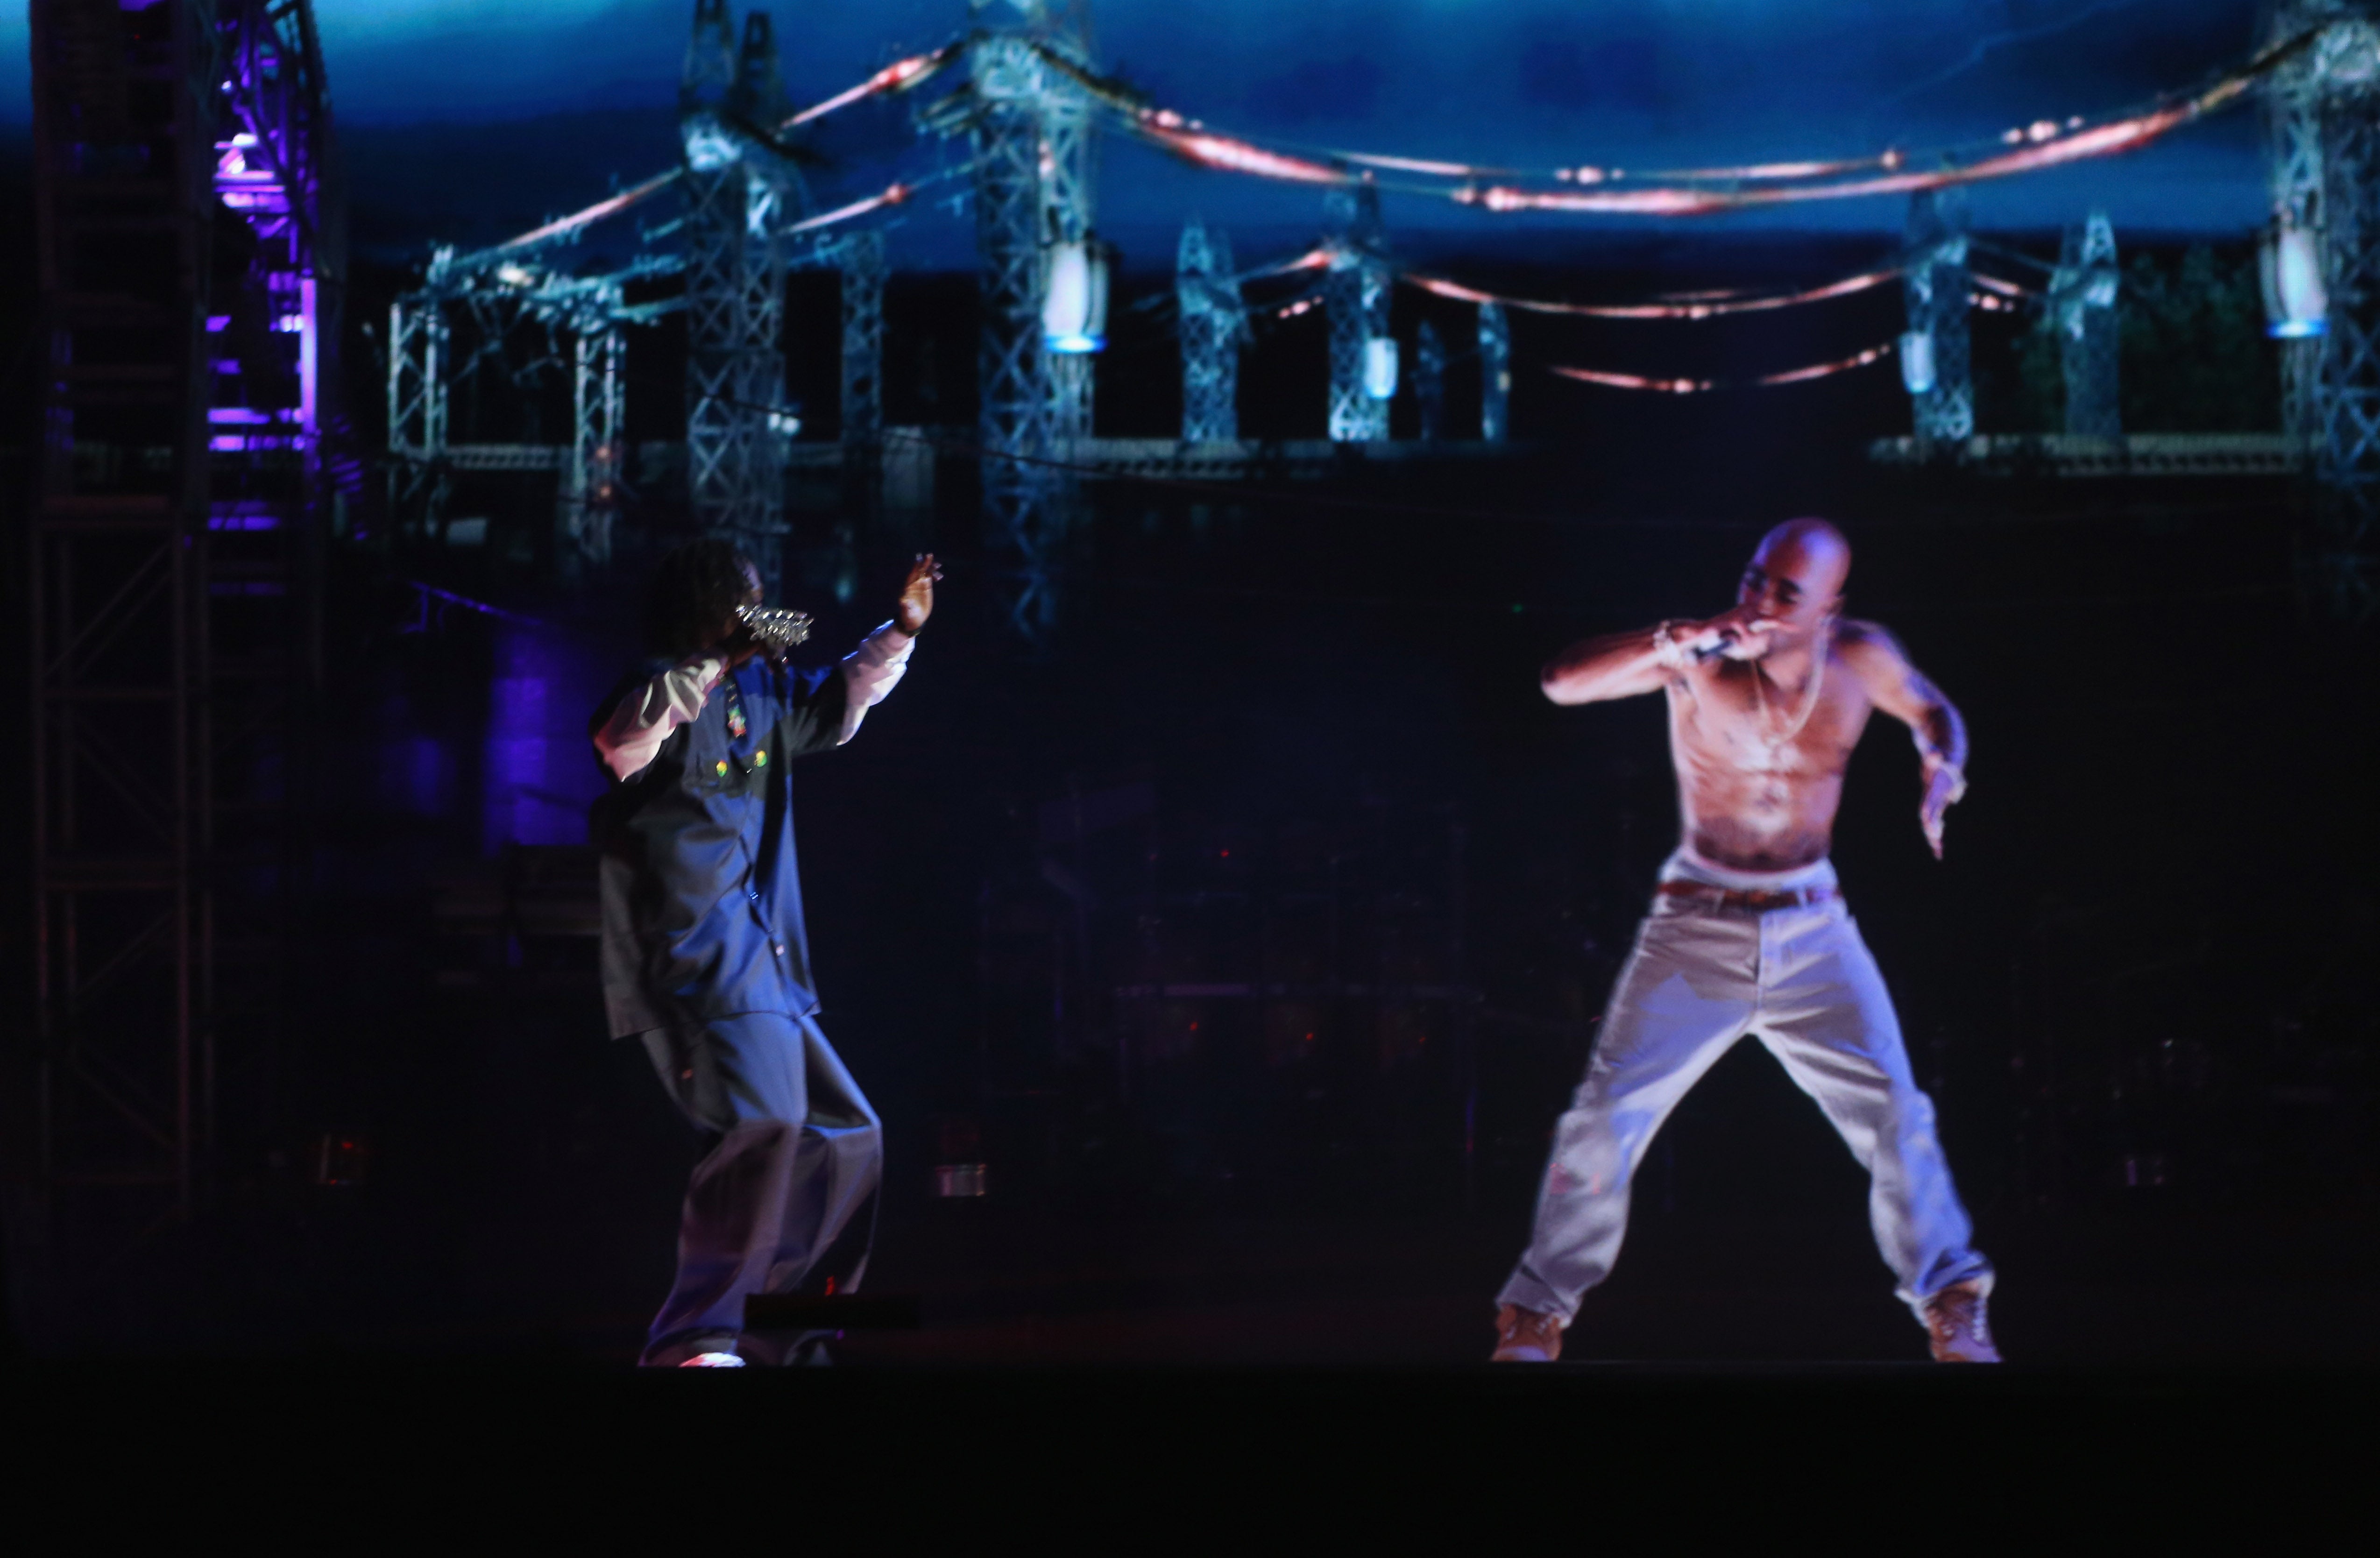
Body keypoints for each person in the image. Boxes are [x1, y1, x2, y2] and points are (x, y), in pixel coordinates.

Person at [1493, 518, 1999, 1364]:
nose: (1760, 601)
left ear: (1829, 608)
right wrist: (1669, 643)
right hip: (1695, 928)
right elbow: (1560, 684)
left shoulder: (1859, 657)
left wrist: (1943, 763)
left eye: (1786, 593)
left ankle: (1952, 1301)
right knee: (1604, 1118)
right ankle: (1536, 1312)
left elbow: (1932, 707)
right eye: (1755, 577)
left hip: (1814, 932)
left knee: (1896, 1114)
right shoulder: (1699, 657)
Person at [589, 540, 940, 1367]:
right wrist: (715, 657)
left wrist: (898, 631)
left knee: (848, 1133)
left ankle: (781, 1331)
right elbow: (622, 743)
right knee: (766, 1121)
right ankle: (698, 1337)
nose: (759, 608)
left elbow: (841, 704)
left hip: (767, 959)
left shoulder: (761, 687)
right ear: (708, 605)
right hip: (695, 954)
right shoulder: (659, 686)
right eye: (742, 597)